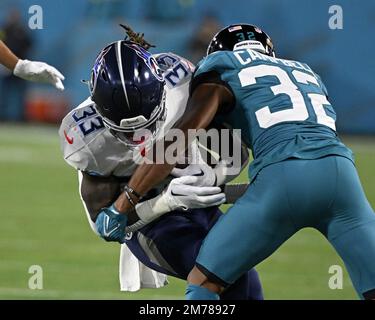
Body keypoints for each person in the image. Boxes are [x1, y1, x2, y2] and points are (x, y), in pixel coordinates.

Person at [113, 23, 375, 300]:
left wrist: (126, 201)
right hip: (342, 177)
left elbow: (180, 136)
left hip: (283, 178)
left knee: (204, 282)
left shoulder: (220, 66)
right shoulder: (305, 71)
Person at [59, 28, 263, 299]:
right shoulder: (86, 137)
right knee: (225, 272)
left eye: (149, 122)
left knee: (245, 277)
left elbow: (233, 153)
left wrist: (213, 177)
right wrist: (166, 201)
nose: (139, 137)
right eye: (126, 133)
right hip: (149, 222)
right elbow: (106, 225)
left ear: (161, 90)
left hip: (198, 202)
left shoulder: (180, 78)